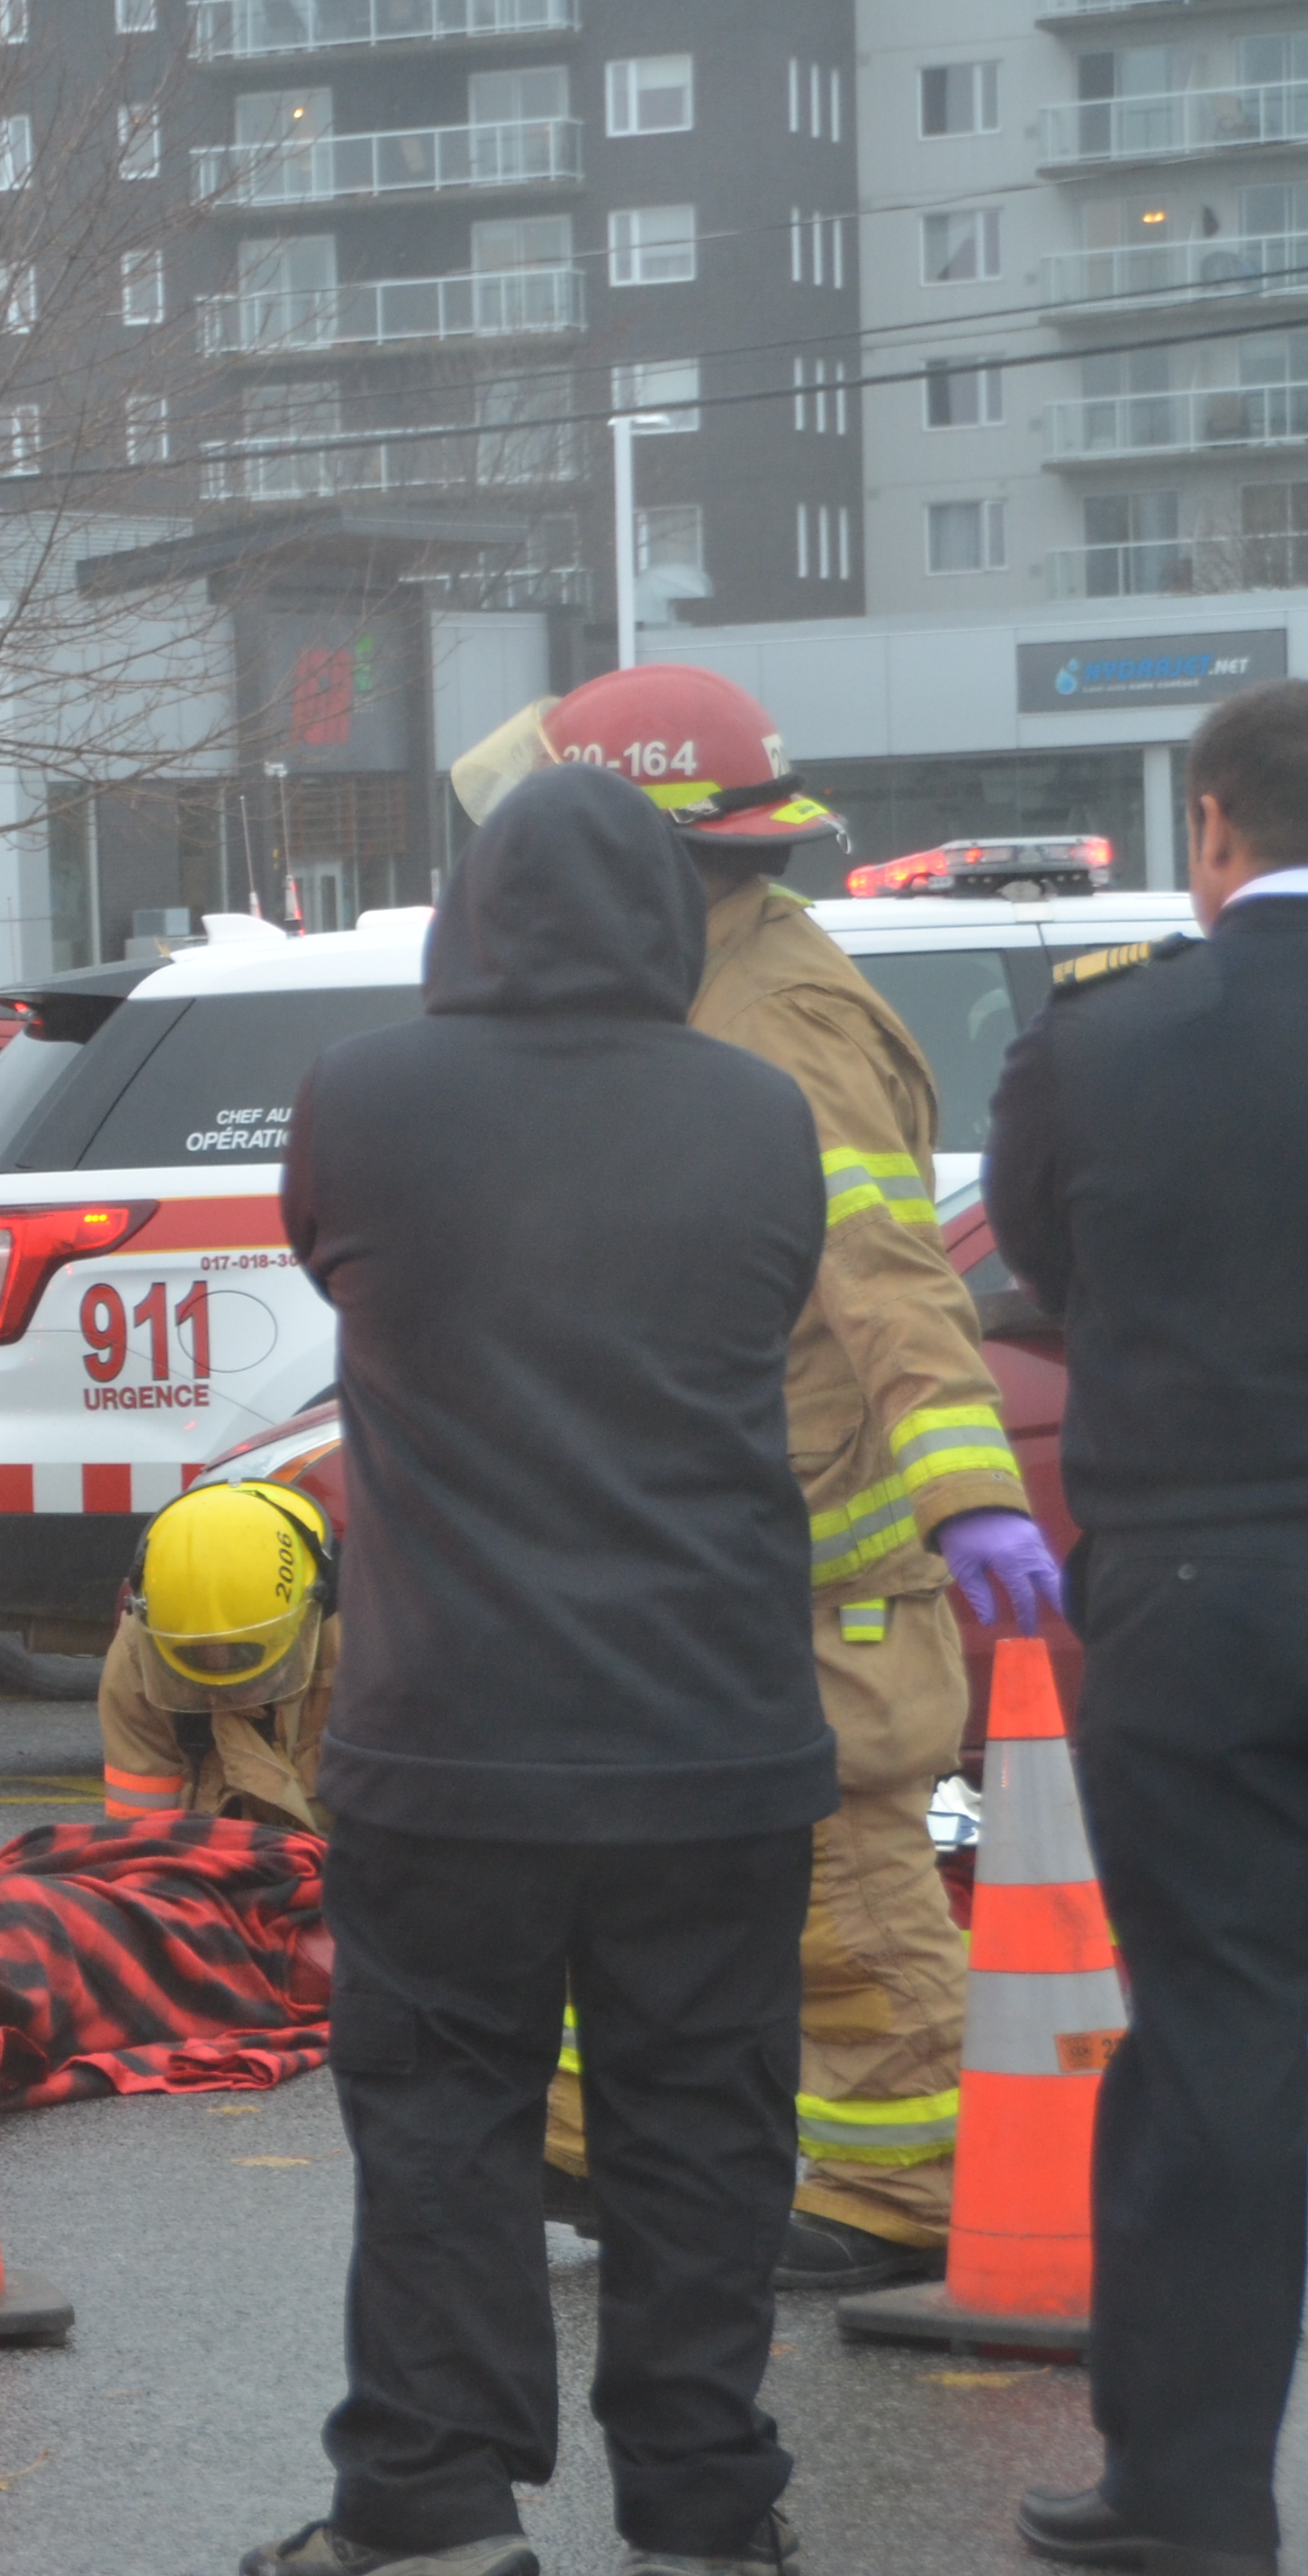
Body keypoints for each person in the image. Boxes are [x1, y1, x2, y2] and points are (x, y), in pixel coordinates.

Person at [249, 762, 834, 2576]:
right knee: (701, 2125)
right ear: (671, 916)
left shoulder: (365, 1100)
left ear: (467, 912)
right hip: (711, 1729)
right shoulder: (758, 1113)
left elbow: (334, 1267)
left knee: (439, 2115)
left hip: (454, 1734)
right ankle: (700, 2508)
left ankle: (428, 2505)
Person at [476, 663, 1053, 2293]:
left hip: (815, 1544)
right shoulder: (683, 988)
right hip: (686, 1528)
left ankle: (908, 2181)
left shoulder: (777, 1019)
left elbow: (883, 1274)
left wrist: (966, 1491)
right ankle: (588, 2131)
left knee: (844, 1866)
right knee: (622, 1838)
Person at [986, 677, 1308, 2576]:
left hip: (1196, 1587)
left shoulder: (1103, 1041)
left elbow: (1039, 1256)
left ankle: (1189, 2496)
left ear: (1211, 828)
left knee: (1218, 2040)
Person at [101, 1471, 341, 1837]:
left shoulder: (372, 1648)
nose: (222, 1681)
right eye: (196, 1660)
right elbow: (139, 1842)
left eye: (243, 1656)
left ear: (304, 1619)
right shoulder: (138, 1661)